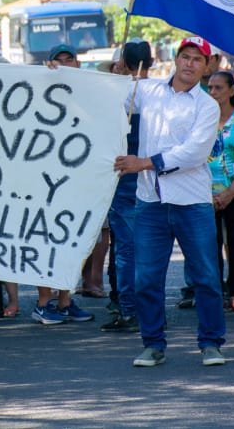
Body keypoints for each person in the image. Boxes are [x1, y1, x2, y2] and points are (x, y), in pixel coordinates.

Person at [114, 37, 226, 367]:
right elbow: (106, 99)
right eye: (185, 57)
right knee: (146, 278)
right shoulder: (147, 91)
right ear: (175, 60)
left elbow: (194, 152)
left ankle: (211, 343)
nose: (190, 63)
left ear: (207, 67)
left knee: (205, 276)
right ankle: (152, 343)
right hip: (150, 201)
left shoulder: (207, 105)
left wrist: (144, 162)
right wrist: (65, 74)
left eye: (197, 59)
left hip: (192, 201)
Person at [31, 44, 94, 325]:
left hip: (77, 180)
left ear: (78, 64)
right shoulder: (41, 90)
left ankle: (65, 300)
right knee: (45, 240)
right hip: (45, 182)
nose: (65, 64)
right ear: (50, 63)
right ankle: (43, 303)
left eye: (70, 59)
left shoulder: (91, 93)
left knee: (72, 240)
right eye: (60, 60)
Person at [101, 40, 152, 334]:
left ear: (122, 64)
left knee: (126, 252)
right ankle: (143, 308)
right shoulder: (161, 93)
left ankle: (130, 310)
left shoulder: (119, 95)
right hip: (151, 182)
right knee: (146, 251)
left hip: (125, 185)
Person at [205, 71, 234, 314]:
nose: (213, 93)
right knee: (210, 244)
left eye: (219, 88)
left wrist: (231, 192)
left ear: (232, 90)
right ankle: (214, 293)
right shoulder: (201, 117)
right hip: (205, 192)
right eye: (210, 88)